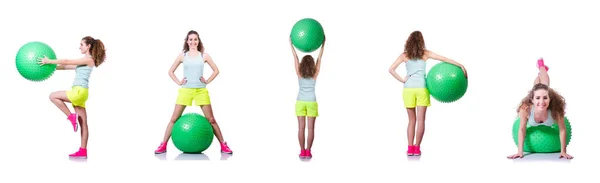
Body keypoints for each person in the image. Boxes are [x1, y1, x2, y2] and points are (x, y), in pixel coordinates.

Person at [388, 30, 467, 156]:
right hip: (422, 89)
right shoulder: (426, 53)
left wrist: (403, 80)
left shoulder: (404, 55)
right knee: (421, 121)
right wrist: (461, 65)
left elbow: (391, 69)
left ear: (409, 42)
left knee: (411, 121)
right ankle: (417, 148)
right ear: (421, 42)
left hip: (408, 90)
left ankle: (409, 149)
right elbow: (444, 59)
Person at [154, 30, 233, 154]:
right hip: (186, 90)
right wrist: (179, 82)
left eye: (195, 39)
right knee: (174, 118)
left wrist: (206, 81)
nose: (193, 42)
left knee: (211, 119)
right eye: (190, 39)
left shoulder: (204, 55)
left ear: (198, 41)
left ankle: (223, 145)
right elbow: (170, 71)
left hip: (201, 90)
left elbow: (216, 70)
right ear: (187, 41)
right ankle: (163, 145)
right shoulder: (182, 56)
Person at [39, 36, 106, 158]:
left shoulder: (89, 59)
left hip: (78, 92)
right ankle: (83, 151)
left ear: (88, 46)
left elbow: (67, 61)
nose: (79, 46)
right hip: (81, 93)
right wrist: (49, 67)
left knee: (53, 96)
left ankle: (71, 116)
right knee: (83, 123)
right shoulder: (84, 62)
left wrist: (49, 61)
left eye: (81, 44)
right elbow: (65, 66)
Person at [507, 58, 573, 159]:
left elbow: (562, 129)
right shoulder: (526, 109)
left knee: (543, 87)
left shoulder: (555, 109)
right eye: (537, 98)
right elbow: (521, 129)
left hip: (546, 97)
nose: (542, 102)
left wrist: (563, 151)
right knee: (541, 85)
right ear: (532, 100)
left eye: (545, 98)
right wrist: (520, 151)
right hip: (533, 100)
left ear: (550, 99)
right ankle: (542, 67)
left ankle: (541, 68)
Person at [290, 35, 325, 159]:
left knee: (301, 128)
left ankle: (302, 151)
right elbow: (320, 58)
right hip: (311, 102)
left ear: (303, 64)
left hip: (300, 101)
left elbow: (295, 57)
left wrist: (291, 44)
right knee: (311, 129)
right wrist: (323, 45)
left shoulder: (299, 72)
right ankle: (308, 151)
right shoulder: (315, 73)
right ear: (312, 64)